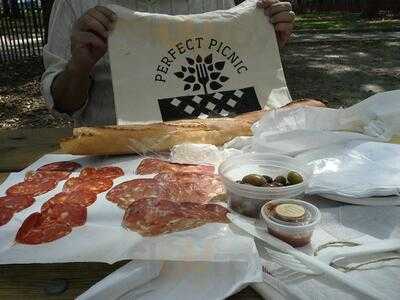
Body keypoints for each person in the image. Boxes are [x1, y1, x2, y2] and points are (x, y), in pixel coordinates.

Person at [41, 0, 295, 126]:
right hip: (116, 163)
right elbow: (63, 104)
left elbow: (236, 68)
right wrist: (78, 67)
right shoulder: (74, 4)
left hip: (215, 152)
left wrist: (263, 43)